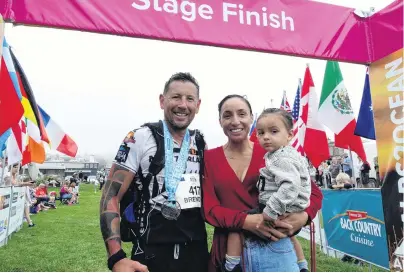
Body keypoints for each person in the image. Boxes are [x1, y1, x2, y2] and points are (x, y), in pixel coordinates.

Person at [99, 72, 208, 272]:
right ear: (162, 100)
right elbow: (110, 195)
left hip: (196, 252)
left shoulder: (200, 142)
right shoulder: (140, 137)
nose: (183, 105)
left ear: (198, 105)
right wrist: (116, 257)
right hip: (150, 253)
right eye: (176, 97)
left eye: (189, 99)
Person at [203, 95, 323, 272]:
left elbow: (313, 192)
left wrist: (303, 217)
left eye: (242, 114)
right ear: (220, 120)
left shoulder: (274, 153)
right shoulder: (209, 158)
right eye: (227, 115)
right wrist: (247, 221)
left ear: (252, 118)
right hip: (229, 252)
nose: (235, 121)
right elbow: (209, 208)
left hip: (275, 248)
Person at [224, 108, 311, 272]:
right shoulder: (282, 155)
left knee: (237, 226)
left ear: (290, 135)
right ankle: (302, 265)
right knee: (289, 235)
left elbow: (290, 185)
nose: (266, 137)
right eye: (261, 132)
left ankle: (231, 264)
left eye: (274, 131)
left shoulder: (281, 158)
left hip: (278, 207)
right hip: (289, 207)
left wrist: (271, 210)